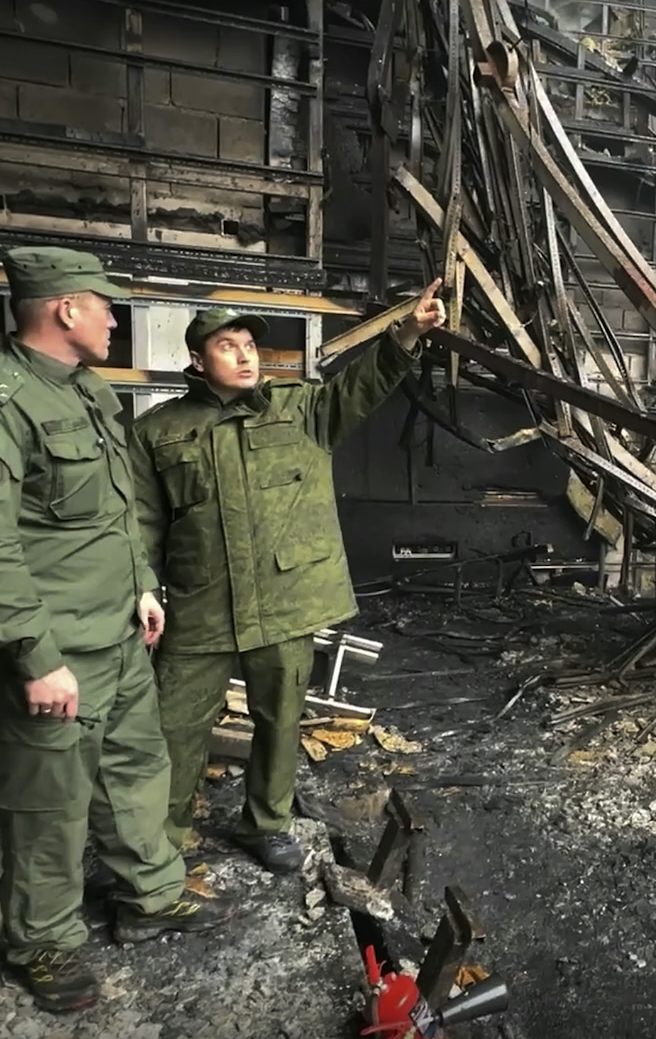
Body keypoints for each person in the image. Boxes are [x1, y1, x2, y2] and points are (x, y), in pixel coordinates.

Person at [0, 247, 230, 1014]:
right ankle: (43, 942)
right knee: (48, 804)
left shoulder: (85, 390)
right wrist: (35, 656)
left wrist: (141, 585)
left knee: (136, 769)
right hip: (52, 651)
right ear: (65, 308)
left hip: (115, 634)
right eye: (105, 304)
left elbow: (113, 512)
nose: (114, 319)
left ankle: (150, 894)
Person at [131, 280, 447, 873]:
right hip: (200, 602)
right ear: (197, 359)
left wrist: (407, 332)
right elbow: (140, 520)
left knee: (279, 721)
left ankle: (266, 823)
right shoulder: (157, 432)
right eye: (228, 346)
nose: (245, 355)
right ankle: (160, 840)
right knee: (173, 725)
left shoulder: (301, 409)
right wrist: (143, 586)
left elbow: (363, 383)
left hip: (283, 600)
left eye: (250, 344)